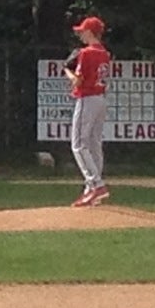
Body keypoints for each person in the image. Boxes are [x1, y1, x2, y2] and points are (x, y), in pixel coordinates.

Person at [64, 15, 112, 207]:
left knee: (78, 145)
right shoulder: (105, 53)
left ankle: (96, 184)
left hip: (87, 99)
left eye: (82, 31)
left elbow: (78, 81)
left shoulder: (88, 53)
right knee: (94, 144)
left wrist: (66, 69)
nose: (80, 34)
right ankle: (91, 190)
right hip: (100, 99)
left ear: (90, 32)